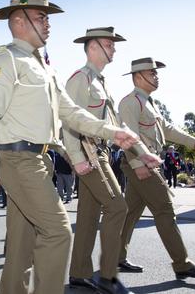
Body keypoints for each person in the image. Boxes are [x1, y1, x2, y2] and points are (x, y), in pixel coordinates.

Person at [0, 0, 141, 294]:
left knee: (22, 246)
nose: (48, 24)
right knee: (58, 233)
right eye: (41, 17)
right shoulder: (6, 59)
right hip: (17, 159)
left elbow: (71, 113)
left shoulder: (44, 67)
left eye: (48, 18)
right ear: (19, 21)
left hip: (38, 159)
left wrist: (110, 132)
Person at [63, 27, 161, 294]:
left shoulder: (100, 82)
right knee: (118, 207)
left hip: (102, 149)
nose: (114, 48)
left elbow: (118, 127)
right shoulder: (79, 80)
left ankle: (79, 274)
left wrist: (142, 152)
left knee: (87, 216)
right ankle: (107, 277)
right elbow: (67, 121)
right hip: (88, 152)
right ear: (92, 47)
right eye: (109, 43)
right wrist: (76, 158)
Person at [117, 57, 195, 280]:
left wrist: (193, 142)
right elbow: (128, 137)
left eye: (156, 73)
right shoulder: (130, 102)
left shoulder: (149, 102)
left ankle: (115, 256)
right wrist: (137, 164)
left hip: (148, 162)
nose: (156, 77)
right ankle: (182, 264)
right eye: (152, 73)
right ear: (137, 77)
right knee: (164, 210)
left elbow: (168, 130)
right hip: (142, 163)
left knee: (130, 212)